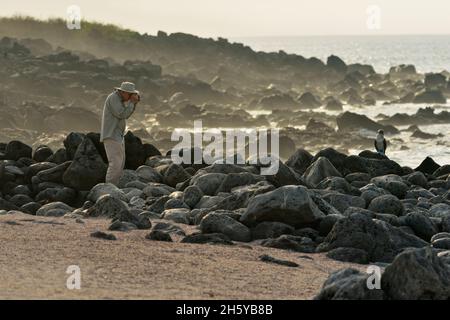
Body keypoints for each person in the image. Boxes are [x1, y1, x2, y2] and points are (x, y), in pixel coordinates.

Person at [100, 82, 140, 185]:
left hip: (117, 135)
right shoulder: (114, 98)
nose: (130, 96)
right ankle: (109, 188)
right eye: (129, 94)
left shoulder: (119, 99)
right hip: (111, 134)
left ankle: (114, 187)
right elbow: (122, 114)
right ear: (123, 92)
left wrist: (133, 103)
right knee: (115, 164)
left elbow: (126, 114)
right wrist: (131, 103)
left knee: (120, 164)